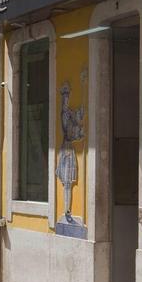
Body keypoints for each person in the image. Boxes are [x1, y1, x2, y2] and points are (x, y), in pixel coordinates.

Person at [57, 83, 84, 223]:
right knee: (66, 184)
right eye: (65, 98)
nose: (66, 101)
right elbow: (70, 130)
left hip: (69, 152)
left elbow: (78, 120)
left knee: (68, 183)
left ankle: (67, 210)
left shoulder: (71, 116)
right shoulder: (66, 116)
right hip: (66, 151)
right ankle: (67, 210)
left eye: (67, 97)